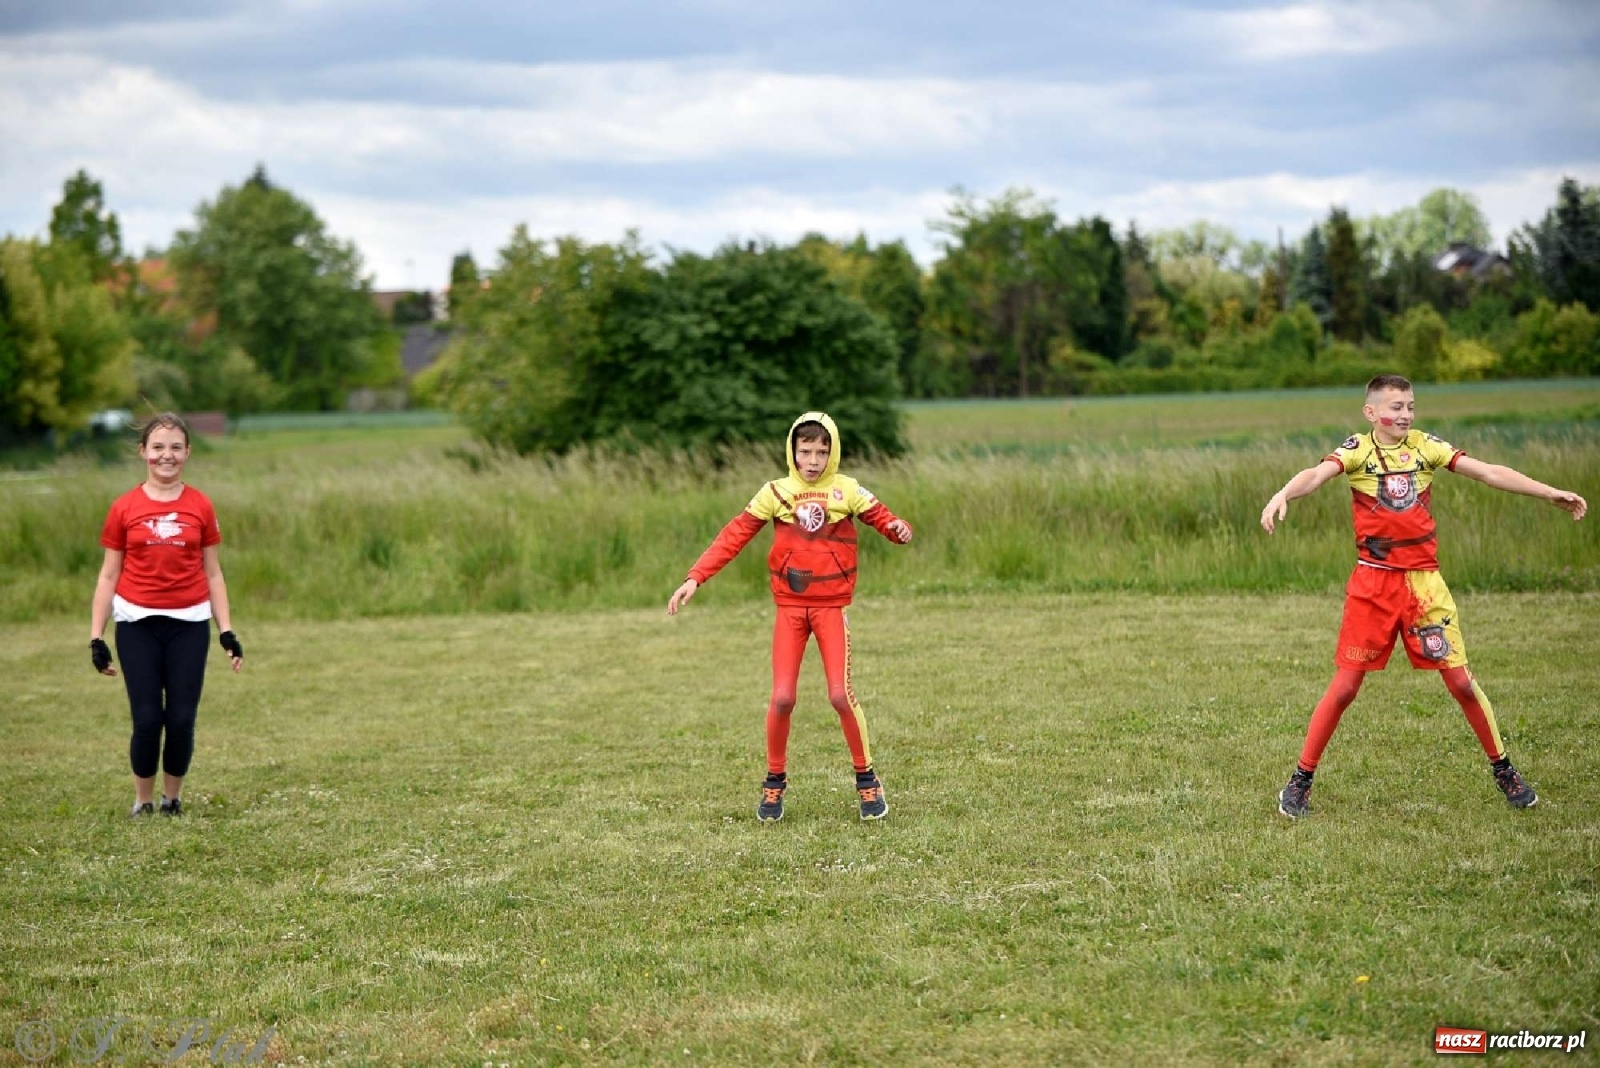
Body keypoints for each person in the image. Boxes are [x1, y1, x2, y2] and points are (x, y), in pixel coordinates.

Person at [1260, 374, 1586, 819]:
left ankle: (1504, 769)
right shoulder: (1357, 450)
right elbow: (1315, 475)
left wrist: (1548, 492)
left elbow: (1488, 472)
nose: (1405, 415)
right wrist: (1284, 492)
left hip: (1425, 586)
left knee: (1462, 684)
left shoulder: (1426, 446)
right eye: (1395, 407)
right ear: (1371, 413)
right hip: (1373, 585)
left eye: (1410, 406)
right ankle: (1300, 781)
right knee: (1344, 688)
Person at [667, 412, 913, 822]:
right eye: (806, 451)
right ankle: (774, 783)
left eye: (822, 451)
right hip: (790, 610)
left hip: (831, 608)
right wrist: (696, 577)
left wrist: (898, 528)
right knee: (782, 698)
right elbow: (734, 534)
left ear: (831, 453)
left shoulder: (847, 490)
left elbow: (883, 517)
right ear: (793, 453)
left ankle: (867, 780)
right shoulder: (775, 493)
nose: (813, 460)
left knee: (839, 695)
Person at [90, 413, 244, 818]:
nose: (166, 455)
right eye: (158, 447)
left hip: (189, 625)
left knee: (179, 719)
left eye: (175, 447)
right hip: (137, 624)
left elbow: (213, 572)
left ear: (188, 452)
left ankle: (171, 798)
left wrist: (226, 630)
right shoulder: (124, 507)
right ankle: (142, 800)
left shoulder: (200, 505)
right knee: (146, 719)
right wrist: (96, 636)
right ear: (143, 451)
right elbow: (109, 575)